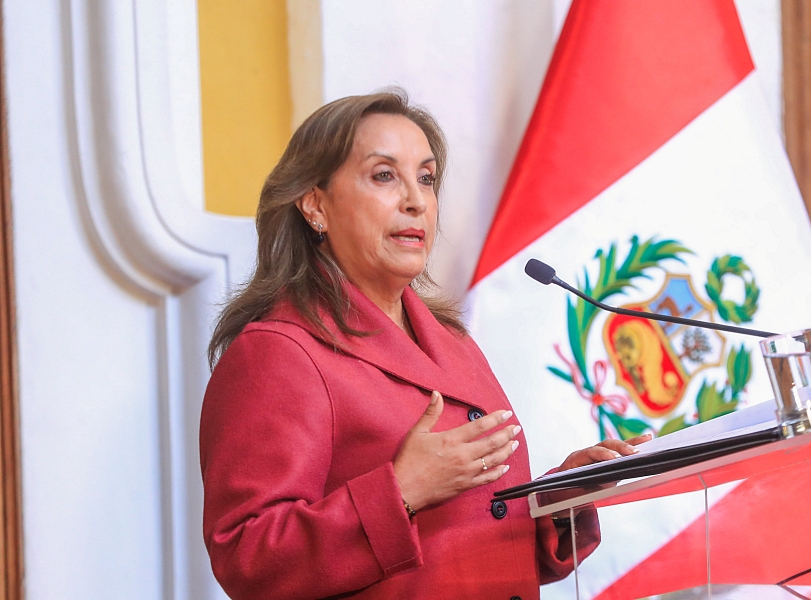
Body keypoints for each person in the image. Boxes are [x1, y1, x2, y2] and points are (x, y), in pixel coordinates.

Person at [199, 89, 650, 600]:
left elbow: (467, 537)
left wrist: (557, 496)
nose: (416, 200)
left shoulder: (451, 341)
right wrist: (403, 491)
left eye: (427, 178)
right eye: (384, 175)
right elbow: (248, 559)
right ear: (315, 205)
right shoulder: (277, 352)